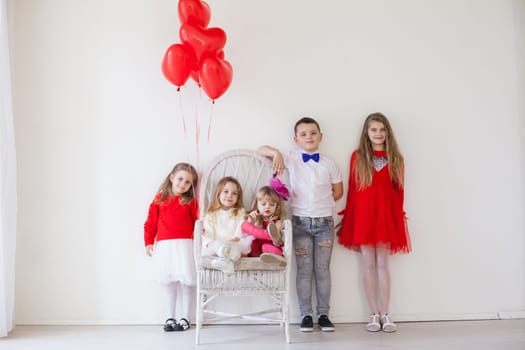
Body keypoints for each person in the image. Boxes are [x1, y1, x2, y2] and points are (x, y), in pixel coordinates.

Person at [258, 116, 343, 332]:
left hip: (324, 223)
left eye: (313, 133)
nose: (309, 137)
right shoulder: (291, 157)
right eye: (303, 134)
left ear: (320, 136)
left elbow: (338, 191)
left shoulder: (329, 163)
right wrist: (277, 153)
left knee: (323, 269)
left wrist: (321, 205)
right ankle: (306, 314)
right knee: (304, 270)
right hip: (299, 223)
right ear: (296, 139)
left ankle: (324, 314)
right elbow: (261, 149)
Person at [337, 112, 411, 333]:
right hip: (363, 218)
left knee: (382, 265)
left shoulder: (396, 157)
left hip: (386, 218)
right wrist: (349, 217)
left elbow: (399, 192)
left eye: (381, 129)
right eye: (373, 129)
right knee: (368, 265)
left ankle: (387, 314)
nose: (378, 133)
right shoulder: (357, 156)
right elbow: (353, 190)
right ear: (366, 132)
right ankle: (374, 314)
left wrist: (397, 218)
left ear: (387, 132)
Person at [143, 163, 199, 332]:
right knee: (169, 283)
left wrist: (201, 241)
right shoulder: (159, 199)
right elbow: (150, 223)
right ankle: (169, 317)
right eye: (180, 179)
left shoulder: (190, 201)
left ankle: (186, 318)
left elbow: (198, 222)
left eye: (188, 182)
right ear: (172, 177)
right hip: (166, 247)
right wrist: (148, 242)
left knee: (187, 282)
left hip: (185, 246)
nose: (183, 184)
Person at [201, 176, 253, 275]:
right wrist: (212, 243)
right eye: (226, 191)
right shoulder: (211, 213)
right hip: (216, 246)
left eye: (234, 193)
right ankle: (225, 257)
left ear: (238, 197)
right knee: (215, 244)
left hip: (231, 243)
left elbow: (241, 227)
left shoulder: (240, 212)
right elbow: (208, 232)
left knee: (239, 247)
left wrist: (237, 237)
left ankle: (226, 261)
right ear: (218, 193)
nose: (230, 195)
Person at [241, 185, 287, 266]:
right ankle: (267, 239)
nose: (267, 207)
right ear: (257, 205)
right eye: (263, 204)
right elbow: (246, 233)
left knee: (265, 247)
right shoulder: (256, 219)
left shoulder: (277, 221)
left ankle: (278, 259)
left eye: (272, 204)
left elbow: (277, 235)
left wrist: (275, 234)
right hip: (255, 250)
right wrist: (250, 220)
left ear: (277, 207)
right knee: (245, 225)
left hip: (271, 247)